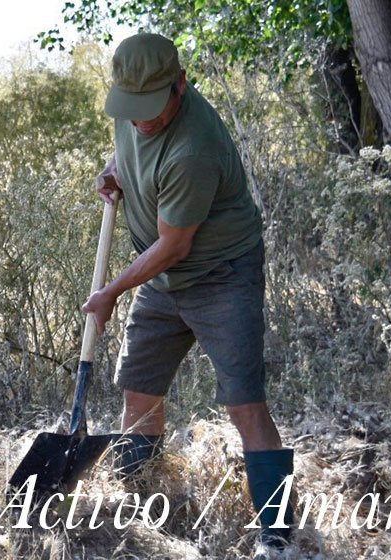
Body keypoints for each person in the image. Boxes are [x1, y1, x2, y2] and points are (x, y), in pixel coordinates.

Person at [81, 33, 295, 552]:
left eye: (153, 108)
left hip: (221, 275)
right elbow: (129, 148)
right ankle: (140, 504)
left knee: (244, 404)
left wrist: (109, 291)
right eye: (133, 108)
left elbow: (174, 245)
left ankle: (279, 535)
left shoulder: (193, 146)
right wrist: (117, 173)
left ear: (181, 84)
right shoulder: (133, 104)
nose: (142, 120)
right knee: (140, 390)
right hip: (159, 277)